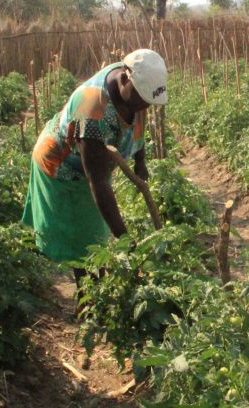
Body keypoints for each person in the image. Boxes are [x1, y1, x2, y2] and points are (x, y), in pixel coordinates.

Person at [22, 49, 168, 284]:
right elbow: (98, 182)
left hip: (87, 166)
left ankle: (93, 292)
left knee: (93, 235)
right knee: (85, 243)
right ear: (124, 80)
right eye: (142, 100)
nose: (145, 108)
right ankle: (88, 304)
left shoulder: (132, 90)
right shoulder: (90, 115)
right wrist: (125, 241)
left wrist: (141, 161)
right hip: (63, 168)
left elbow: (137, 120)